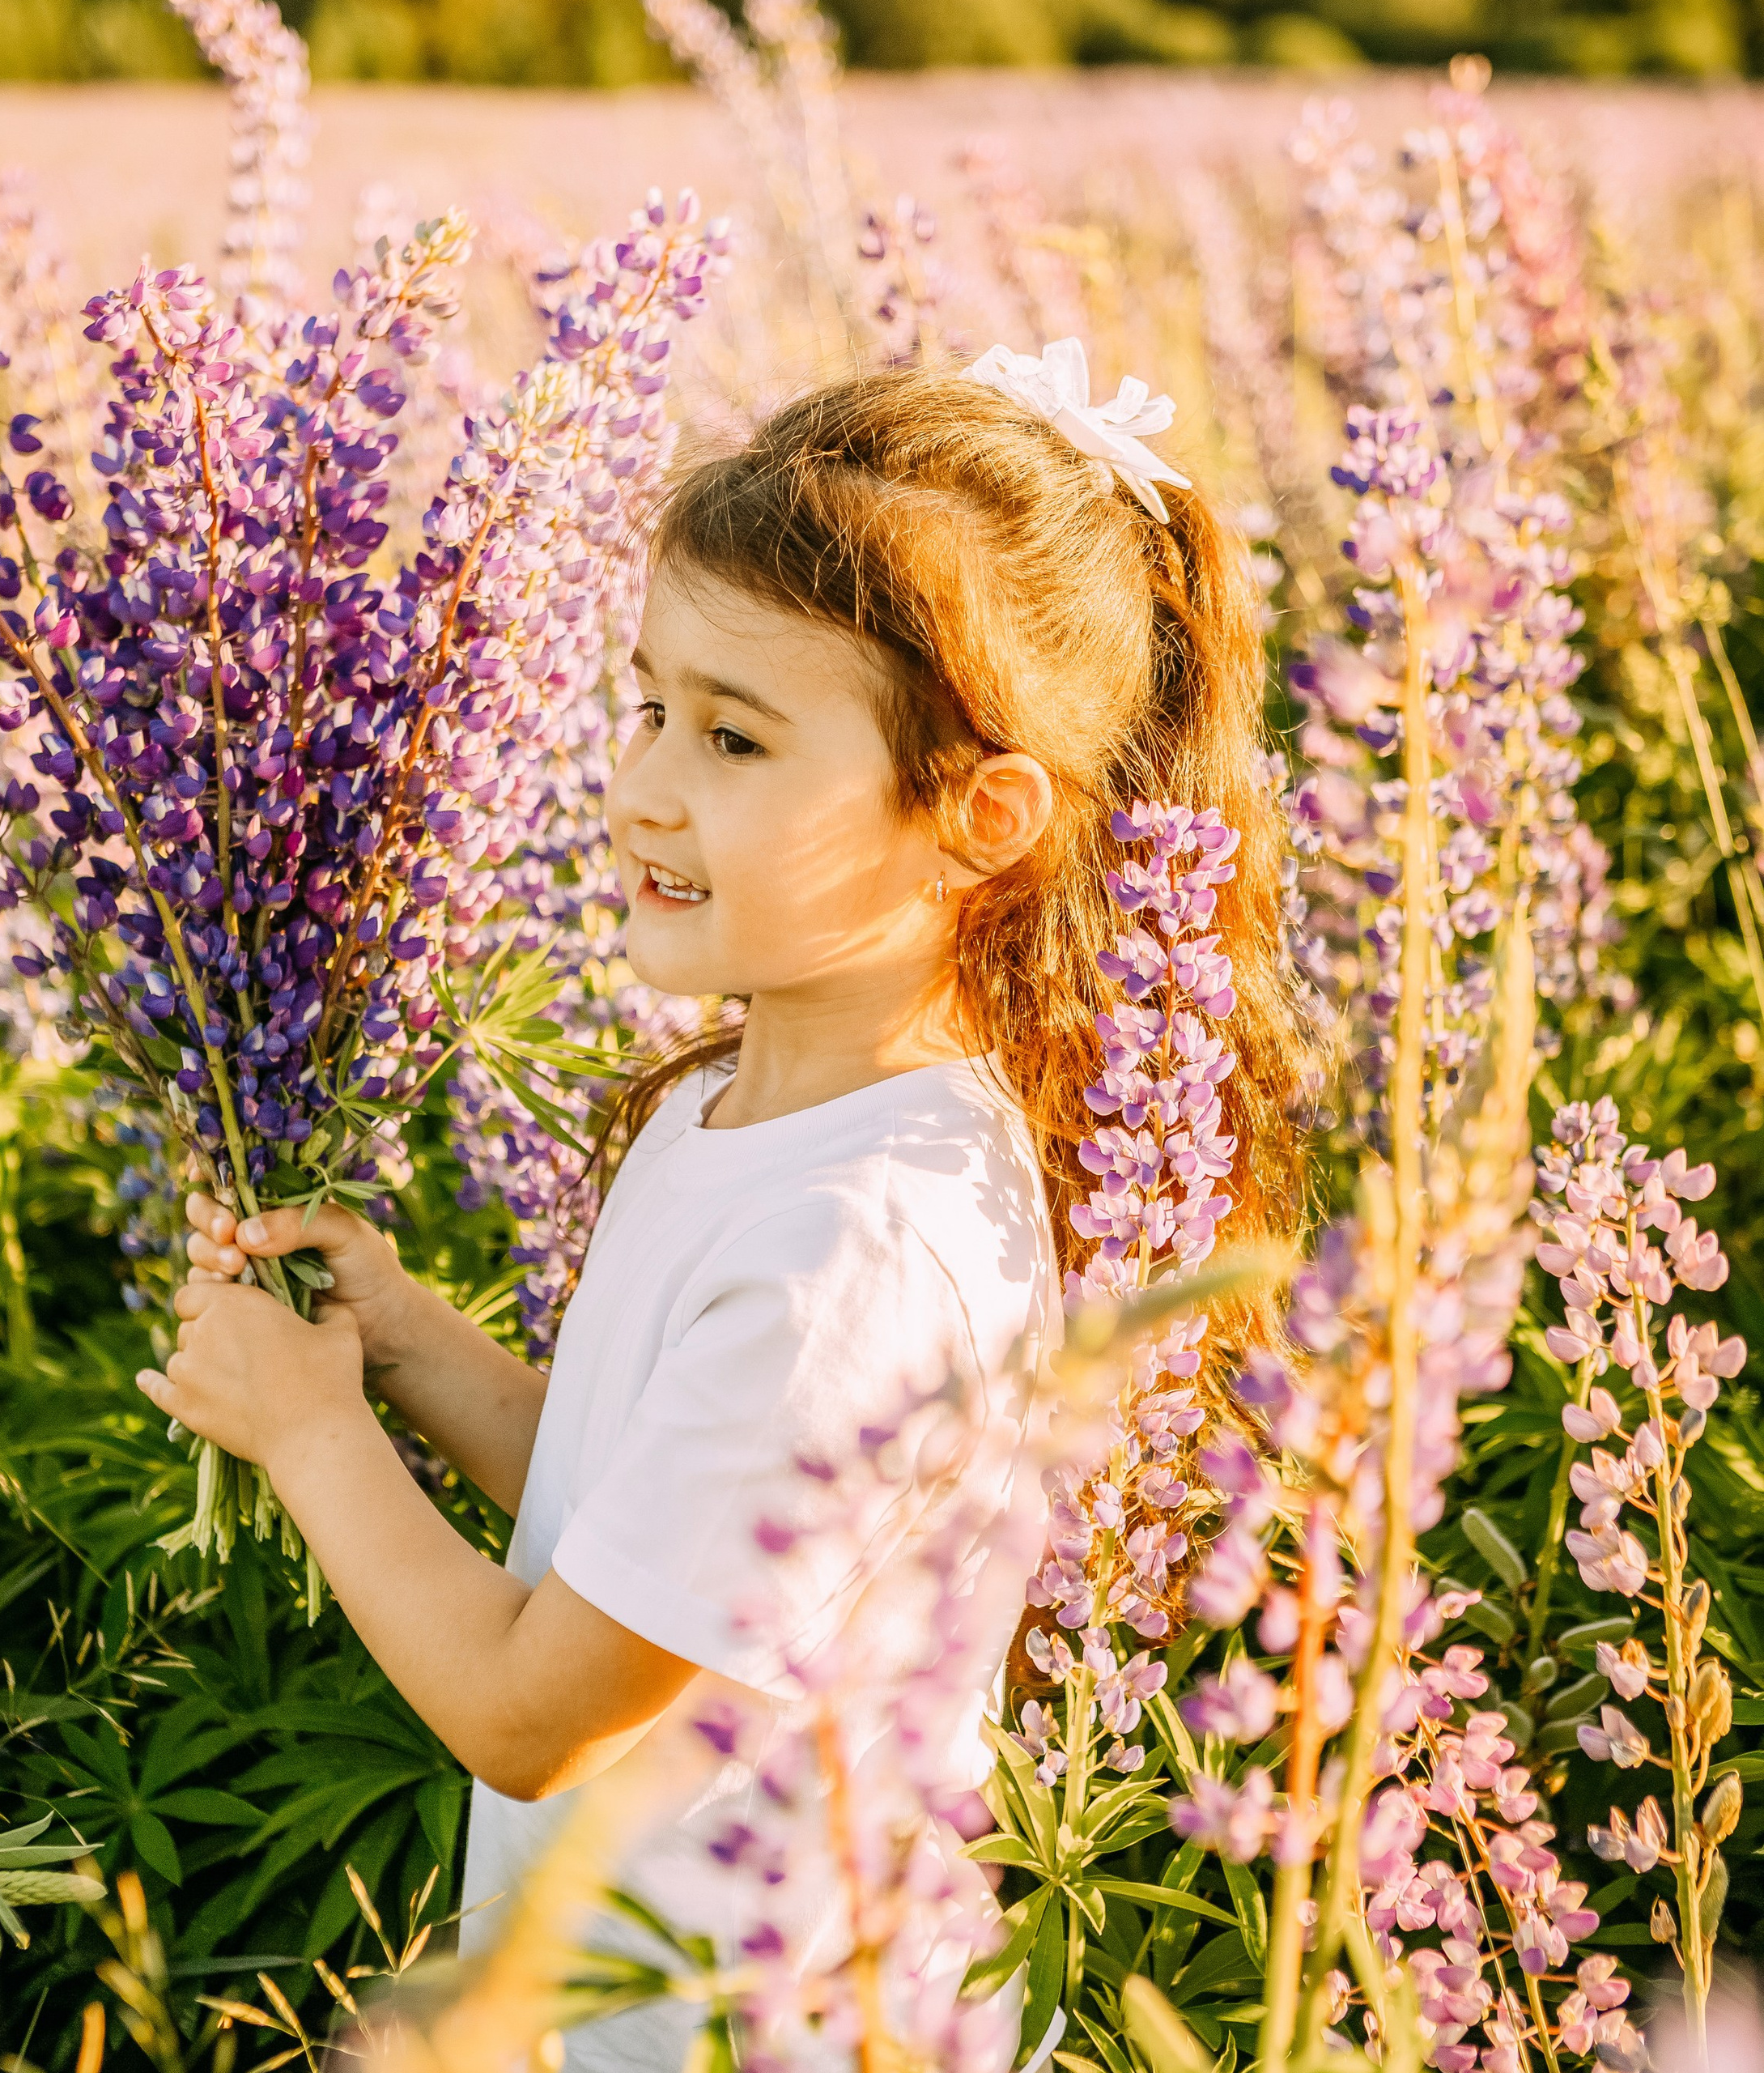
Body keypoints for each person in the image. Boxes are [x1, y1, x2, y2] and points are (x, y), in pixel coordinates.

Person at [138, 343, 1307, 2068]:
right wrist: (401, 1341)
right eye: (648, 705)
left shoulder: (862, 1243)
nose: (641, 786)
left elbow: (535, 1711)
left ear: (975, 816)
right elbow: (644, 1534)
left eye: (734, 736)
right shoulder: (730, 1102)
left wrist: (312, 1436)